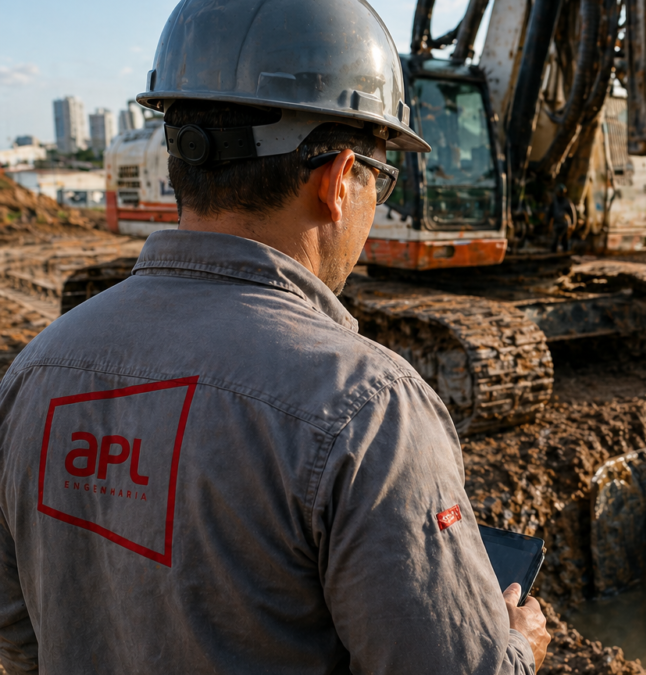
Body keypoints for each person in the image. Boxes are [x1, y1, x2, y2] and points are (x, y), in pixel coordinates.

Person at [0, 0, 549, 673]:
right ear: (339, 179)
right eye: (383, 175)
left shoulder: (35, 372)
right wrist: (516, 646)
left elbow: (20, 628)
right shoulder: (370, 410)